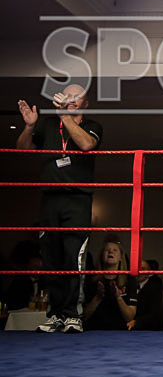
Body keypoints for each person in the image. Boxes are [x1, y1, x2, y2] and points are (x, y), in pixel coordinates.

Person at [17, 84, 102, 334]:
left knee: (74, 258)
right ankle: (55, 315)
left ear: (85, 103)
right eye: (68, 95)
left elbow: (86, 145)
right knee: (51, 258)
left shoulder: (93, 126)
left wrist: (65, 116)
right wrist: (29, 126)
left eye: (77, 96)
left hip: (77, 199)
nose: (71, 99)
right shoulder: (48, 126)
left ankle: (73, 315)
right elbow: (23, 150)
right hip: (50, 199)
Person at [83, 238, 137, 330]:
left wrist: (118, 297)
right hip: (94, 330)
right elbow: (84, 316)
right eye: (107, 250)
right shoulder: (91, 278)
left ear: (121, 257)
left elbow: (129, 317)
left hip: (119, 331)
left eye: (115, 250)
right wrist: (98, 297)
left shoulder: (129, 280)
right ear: (102, 256)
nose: (110, 252)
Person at [127, 259, 163, 330]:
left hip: (146, 328)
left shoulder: (154, 287)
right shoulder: (127, 285)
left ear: (148, 272)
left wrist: (136, 322)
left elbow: (154, 313)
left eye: (143, 269)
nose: (139, 272)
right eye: (137, 269)